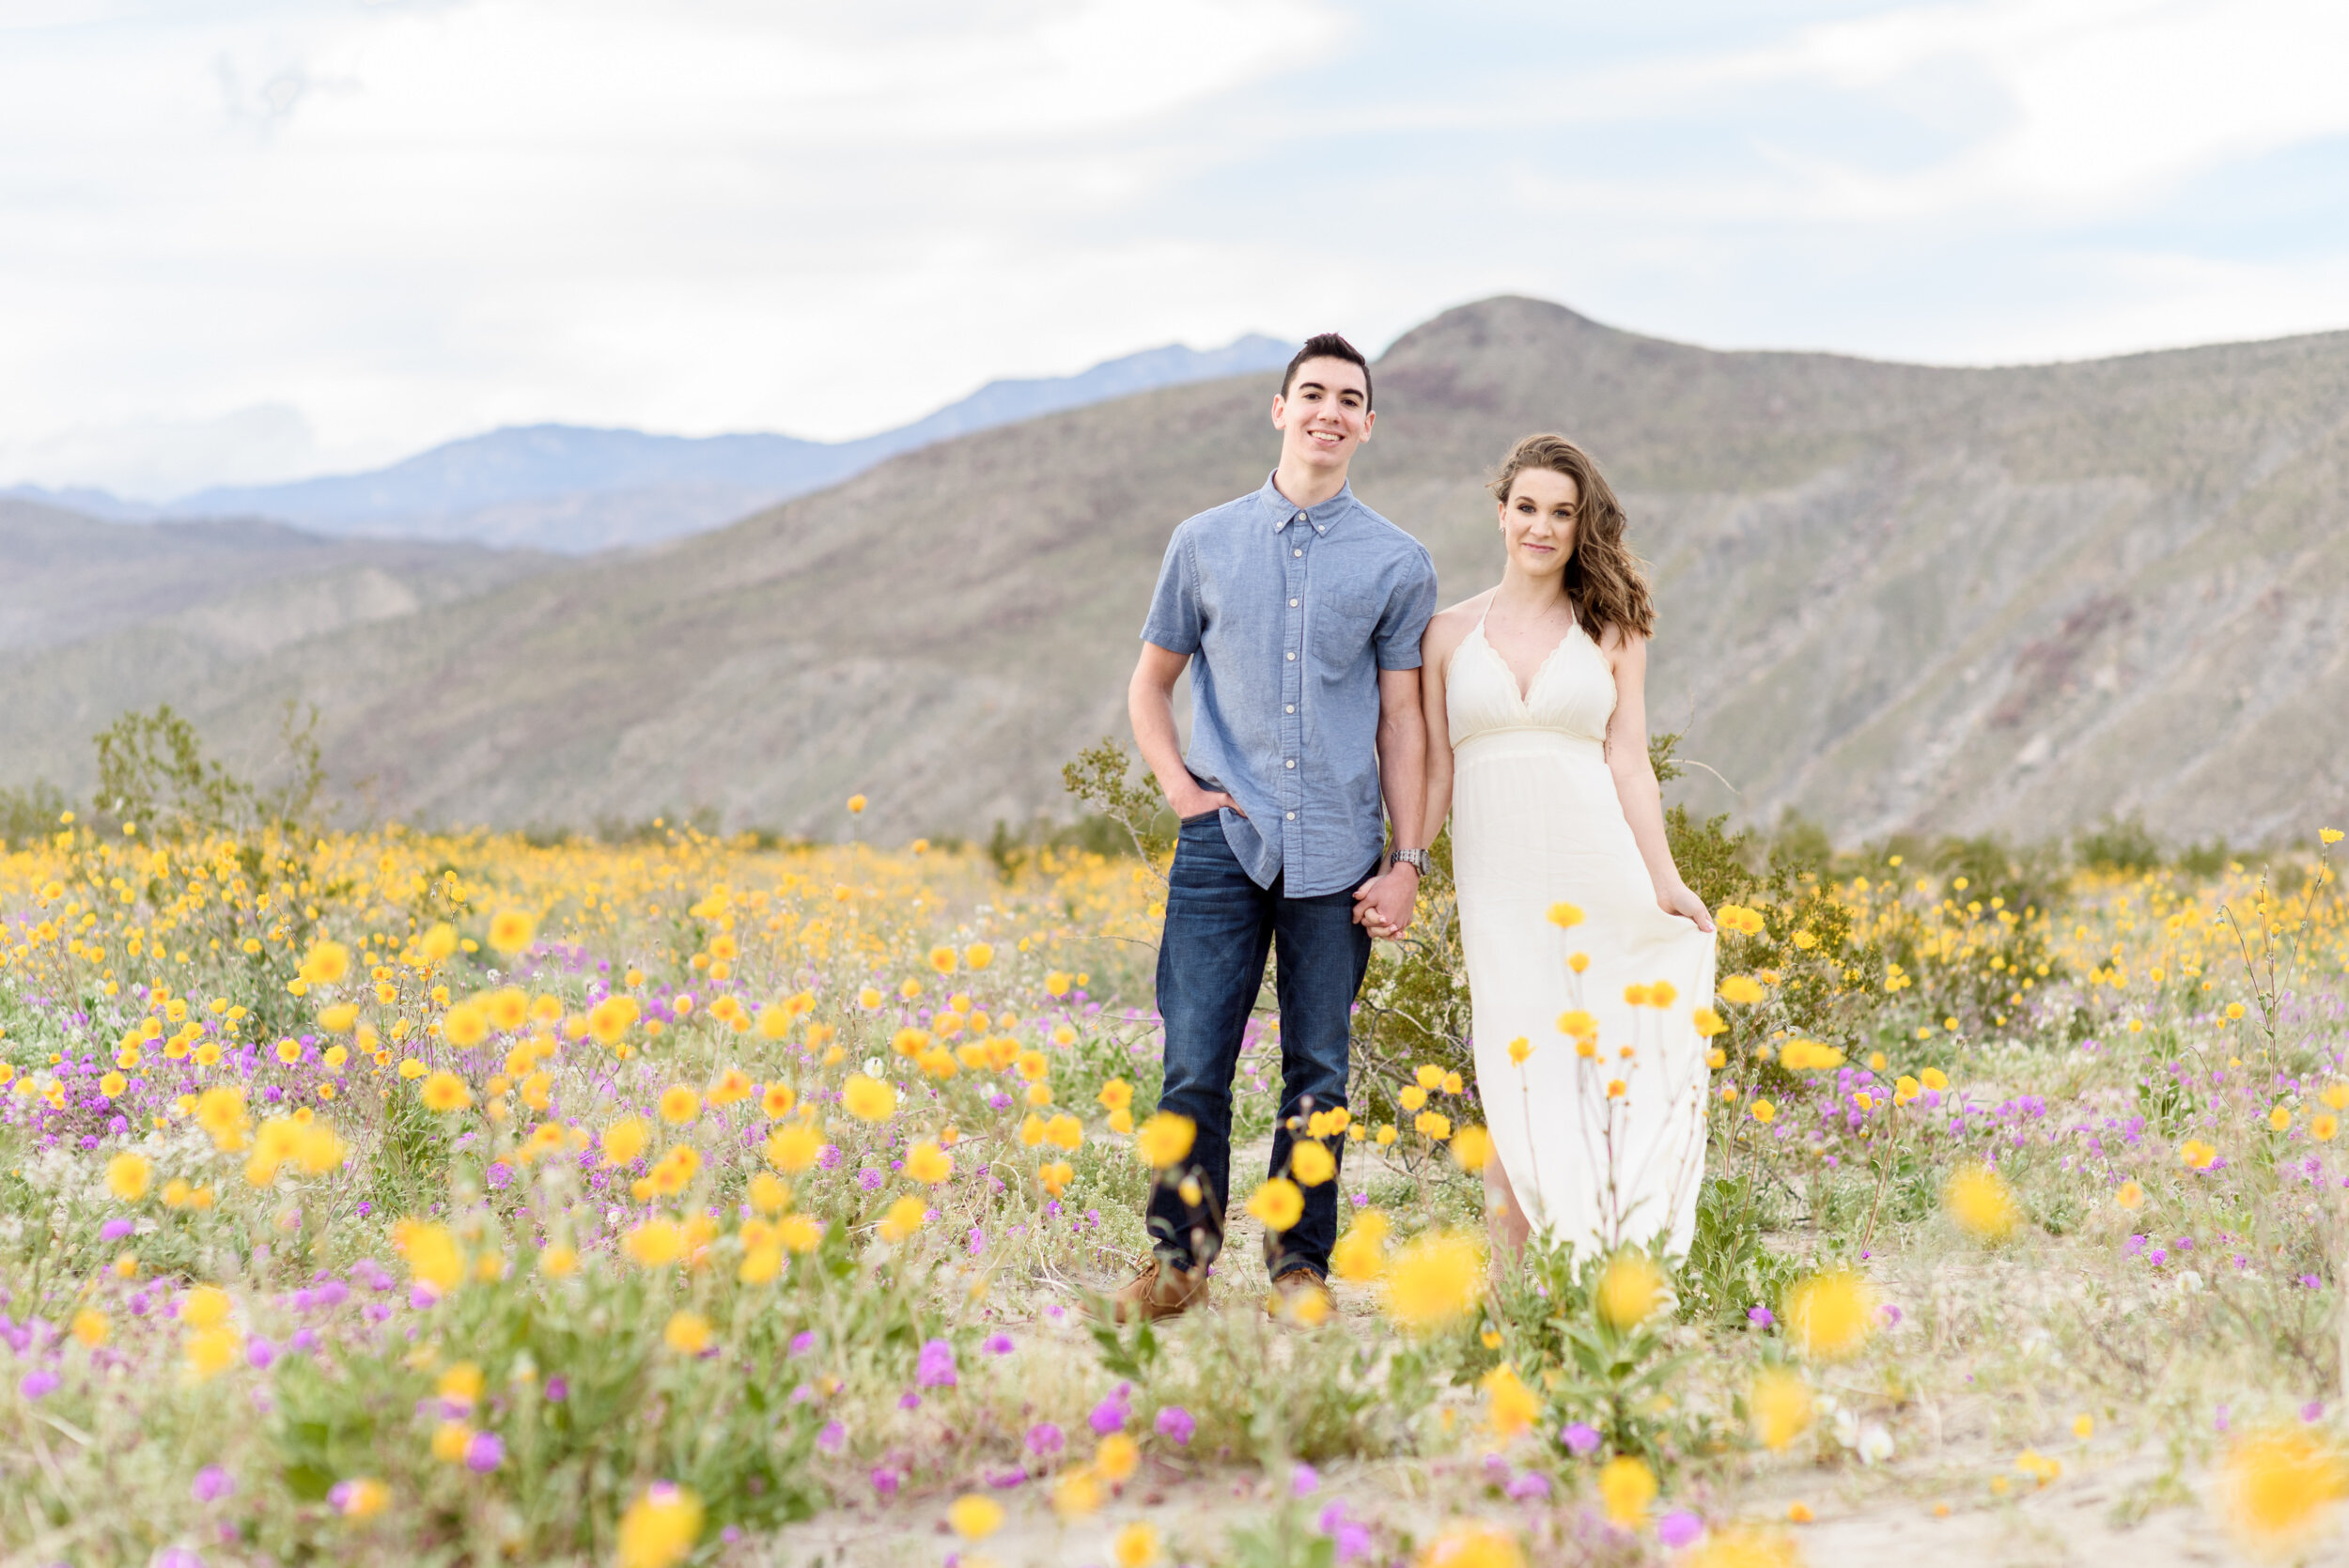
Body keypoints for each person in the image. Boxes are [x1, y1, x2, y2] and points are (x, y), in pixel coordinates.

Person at [1115, 333, 1438, 1322]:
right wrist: (1179, 787)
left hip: (1338, 854)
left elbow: (1401, 720)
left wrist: (1407, 860)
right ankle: (1179, 1258)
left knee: (1319, 1070)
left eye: (1349, 399)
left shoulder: (1396, 561)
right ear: (1279, 408)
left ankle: (1299, 1265)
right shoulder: (1202, 542)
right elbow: (1150, 684)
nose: (1328, 412)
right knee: (1194, 1058)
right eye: (1312, 394)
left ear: (1367, 425)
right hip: (1223, 841)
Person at [1402, 433, 1717, 1262]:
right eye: (1529, 508)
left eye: (1563, 513)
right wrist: (1403, 865)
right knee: (1513, 1055)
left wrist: (1666, 882)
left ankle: (1607, 1248)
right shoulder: (1445, 635)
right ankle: (1510, 1276)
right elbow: (1435, 771)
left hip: (1596, 868)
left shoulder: (1612, 629)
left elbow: (1628, 758)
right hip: (1497, 882)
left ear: (1583, 528)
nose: (1542, 527)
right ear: (1501, 513)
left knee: (1602, 1053)